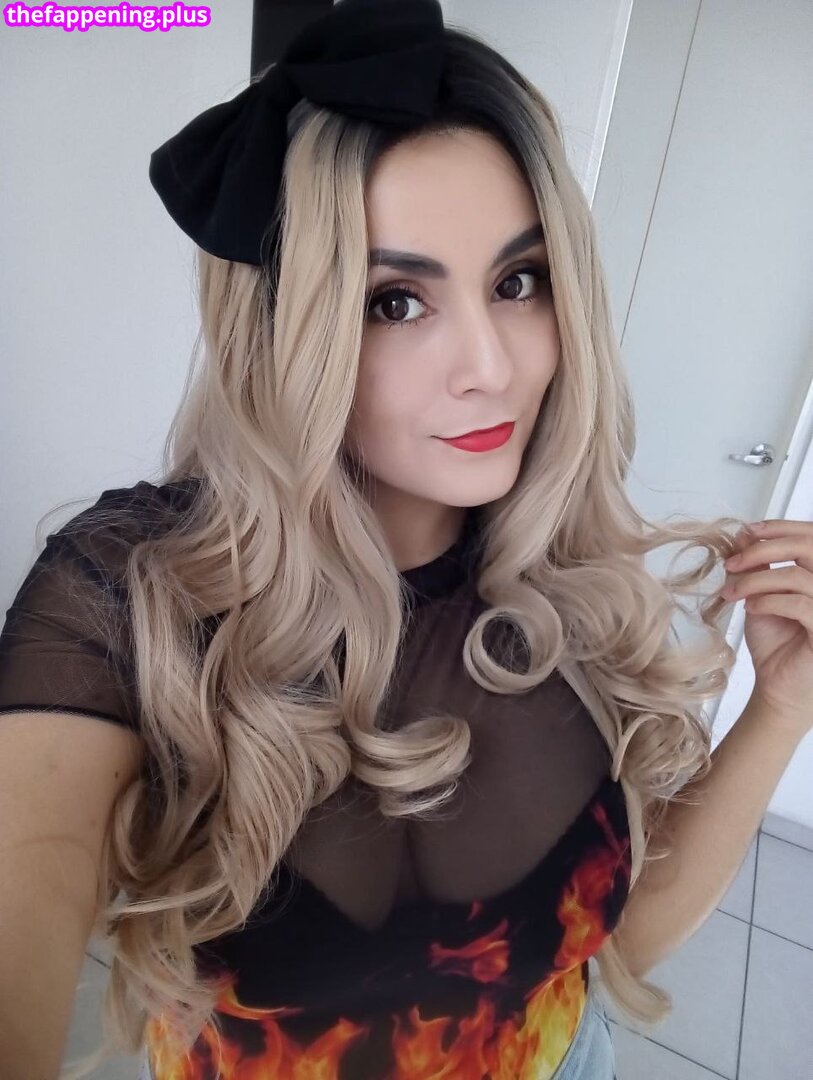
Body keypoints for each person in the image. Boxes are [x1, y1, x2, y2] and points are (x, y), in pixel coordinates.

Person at [0, 2, 751, 1077]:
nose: (491, 366)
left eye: (518, 282)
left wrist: (785, 702)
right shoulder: (128, 595)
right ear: (283, 336)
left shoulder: (574, 580)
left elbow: (618, 944)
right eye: (394, 302)